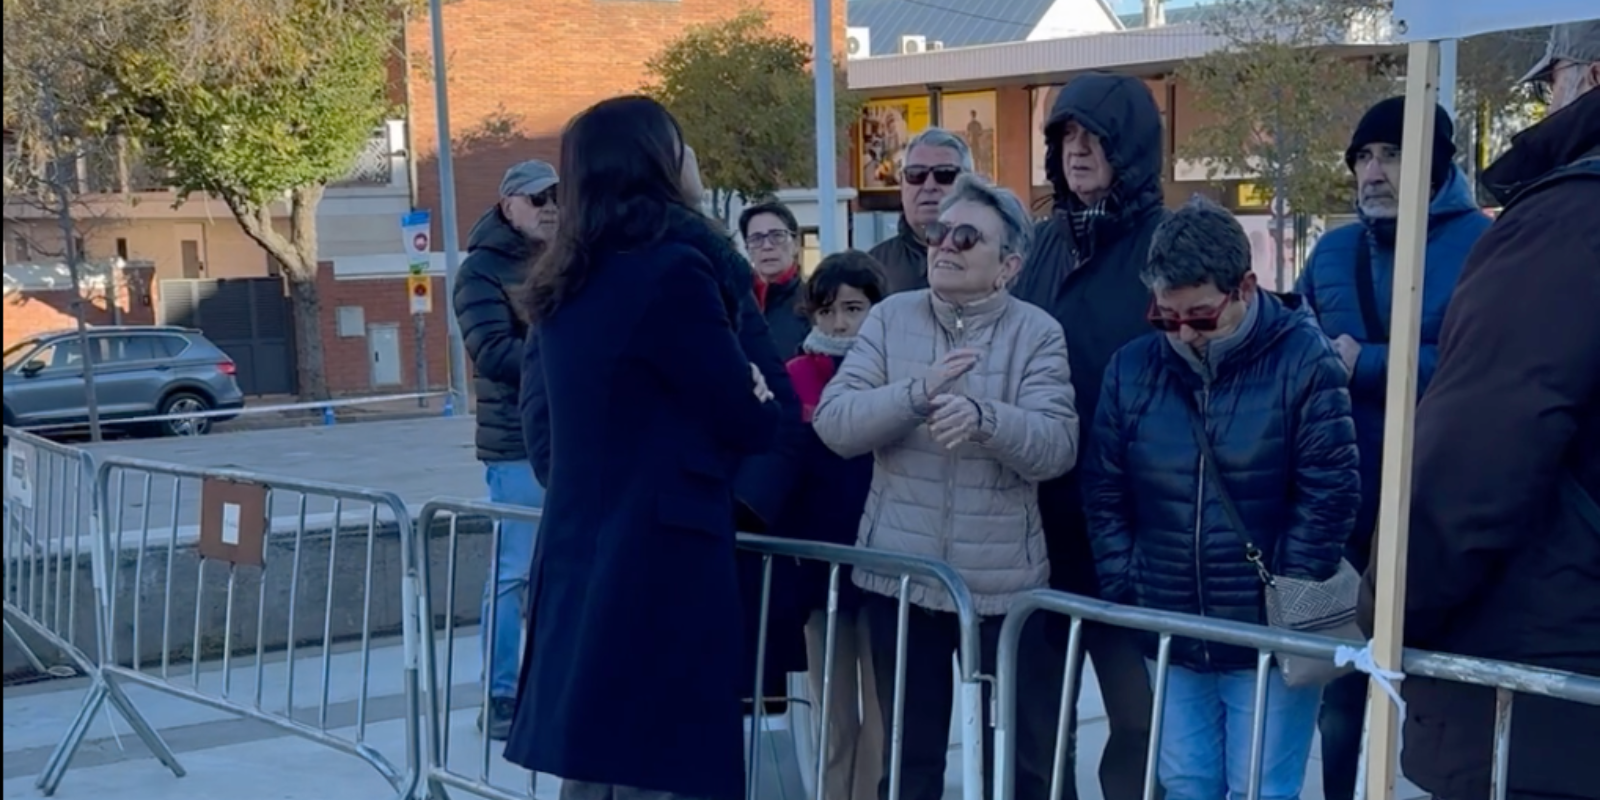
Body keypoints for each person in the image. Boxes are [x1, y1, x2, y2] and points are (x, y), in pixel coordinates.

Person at [505, 95, 782, 800]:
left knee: (601, 766)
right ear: (659, 161)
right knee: (662, 764)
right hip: (663, 564)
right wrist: (749, 379)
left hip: (584, 553)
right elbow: (753, 417)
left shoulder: (564, 281)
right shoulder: (675, 270)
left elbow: (542, 432)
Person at [1082, 196, 1358, 800]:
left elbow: (1330, 490)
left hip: (1266, 627)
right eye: (1166, 317)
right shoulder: (1132, 368)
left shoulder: (1304, 361)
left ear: (1245, 288)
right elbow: (1105, 488)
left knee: (1261, 785)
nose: (1183, 333)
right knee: (1184, 781)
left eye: (1201, 318)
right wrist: (1128, 582)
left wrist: (1288, 596)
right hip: (1167, 619)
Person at [813, 175, 1078, 800]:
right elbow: (834, 423)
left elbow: (1056, 445)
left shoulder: (1037, 333)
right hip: (901, 586)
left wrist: (987, 421)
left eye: (966, 237)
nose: (945, 246)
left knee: (1023, 764)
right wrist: (918, 392)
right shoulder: (888, 318)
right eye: (937, 233)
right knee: (909, 764)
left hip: (1002, 592)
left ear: (1008, 265)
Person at [1395, 20, 1599, 800]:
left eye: (1549, 80)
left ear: (1590, 76)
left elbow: (1476, 459)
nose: (1546, 101)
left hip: (1544, 687)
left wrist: (1392, 609)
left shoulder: (1567, 222)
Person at [1294, 96, 1488, 800]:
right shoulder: (1331, 250)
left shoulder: (1482, 244)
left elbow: (1484, 364)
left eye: (1391, 155)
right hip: (1340, 509)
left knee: (1441, 699)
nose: (1373, 172)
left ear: (1434, 165)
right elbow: (1298, 352)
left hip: (1437, 505)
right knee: (1337, 694)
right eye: (1363, 158)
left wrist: (1366, 364)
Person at [1010, 71, 1166, 800]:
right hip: (1040, 518)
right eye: (1066, 136)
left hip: (1134, 523)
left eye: (1093, 136)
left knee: (1139, 721)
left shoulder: (1167, 244)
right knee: (1037, 721)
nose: (1077, 151)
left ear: (1129, 146)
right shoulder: (1045, 243)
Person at [773, 250, 889, 800]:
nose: (840, 323)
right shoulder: (795, 375)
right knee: (834, 716)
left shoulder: (895, 372)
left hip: (888, 564)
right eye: (826, 310)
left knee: (884, 714)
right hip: (820, 570)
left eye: (854, 308)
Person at [451, 159, 558, 740]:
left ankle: (552, 683)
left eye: (558, 196)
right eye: (538, 197)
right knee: (514, 573)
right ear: (507, 203)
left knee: (567, 572)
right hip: (516, 445)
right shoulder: (480, 275)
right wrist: (564, 364)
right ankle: (501, 693)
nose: (550, 207)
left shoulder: (571, 260)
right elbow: (492, 353)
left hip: (573, 440)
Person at [867, 128, 973, 294]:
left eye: (945, 174)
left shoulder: (997, 260)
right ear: (902, 184)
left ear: (970, 185)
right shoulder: (872, 268)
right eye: (916, 174)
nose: (929, 186)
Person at [739, 201, 810, 357]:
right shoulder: (734, 303)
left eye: (777, 236)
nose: (767, 246)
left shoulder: (812, 304)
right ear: (747, 249)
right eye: (756, 239)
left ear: (796, 244)